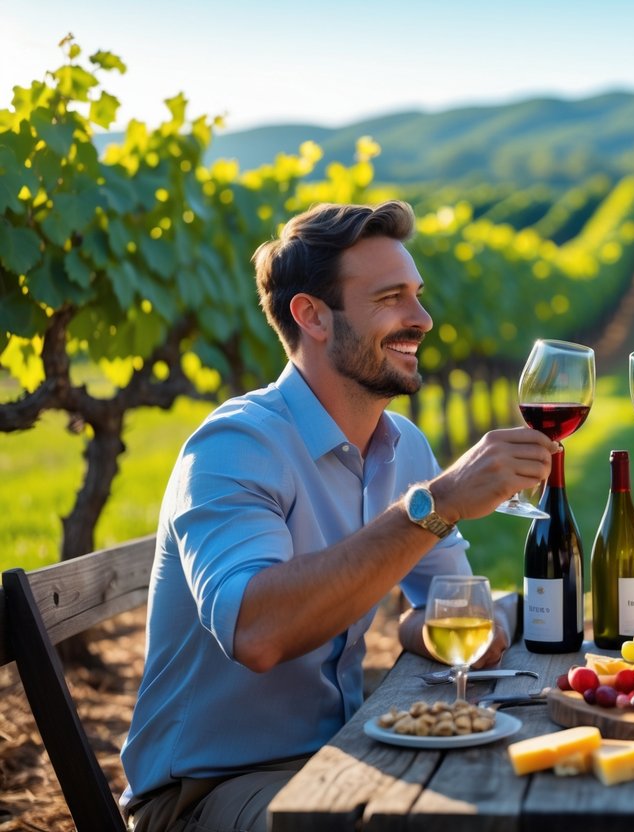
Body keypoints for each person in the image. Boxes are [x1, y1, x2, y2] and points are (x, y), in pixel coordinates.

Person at [120, 200, 557, 831]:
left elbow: (455, 616)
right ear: (312, 315)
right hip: (208, 792)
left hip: (338, 754)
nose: (422, 319)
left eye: (418, 295)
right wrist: (439, 503)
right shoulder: (234, 447)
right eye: (391, 299)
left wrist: (455, 623)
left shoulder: (403, 445)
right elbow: (258, 631)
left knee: (523, 793)